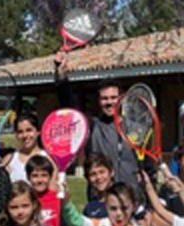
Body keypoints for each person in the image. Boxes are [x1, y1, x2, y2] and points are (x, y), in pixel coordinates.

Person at [54, 50, 140, 193]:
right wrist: (61, 76)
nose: (109, 102)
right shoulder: (92, 126)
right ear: (99, 101)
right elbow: (69, 109)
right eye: (104, 98)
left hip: (132, 199)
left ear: (122, 98)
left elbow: (147, 168)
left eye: (113, 97)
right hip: (100, 199)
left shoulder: (135, 128)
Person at [3, 114, 48, 184]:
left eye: (29, 130)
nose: (25, 135)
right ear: (16, 135)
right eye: (20, 132)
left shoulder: (48, 158)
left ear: (38, 132)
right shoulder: (9, 160)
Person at [82, 153, 116, 219]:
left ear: (111, 172)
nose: (98, 177)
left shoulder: (124, 200)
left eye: (102, 172)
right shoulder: (90, 208)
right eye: (93, 174)